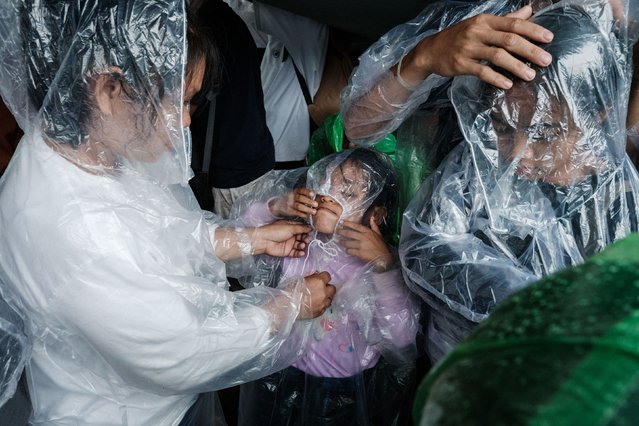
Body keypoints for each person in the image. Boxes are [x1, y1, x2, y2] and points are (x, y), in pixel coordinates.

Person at [0, 1, 336, 424]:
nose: (185, 121)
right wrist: (288, 306)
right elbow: (181, 351)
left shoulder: (96, 145)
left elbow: (159, 227)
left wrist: (240, 240)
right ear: (107, 90)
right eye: (179, 101)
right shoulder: (72, 227)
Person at [399, 0, 639, 362]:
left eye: (544, 132)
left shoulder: (622, 200)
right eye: (502, 125)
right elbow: (424, 247)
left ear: (597, 113)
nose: (517, 154)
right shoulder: (477, 163)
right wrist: (536, 308)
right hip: (458, 370)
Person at [230, 148, 420, 425]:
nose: (330, 196)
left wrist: (384, 266)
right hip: (281, 369)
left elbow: (400, 339)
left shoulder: (376, 265)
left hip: (341, 390)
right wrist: (275, 207)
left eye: (348, 192)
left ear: (376, 215)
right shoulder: (297, 241)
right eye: (326, 185)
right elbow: (240, 237)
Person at [188, 0, 276, 217]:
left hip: (231, 169)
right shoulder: (232, 21)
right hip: (255, 155)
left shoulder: (205, 28)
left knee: (237, 243)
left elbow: (192, 103)